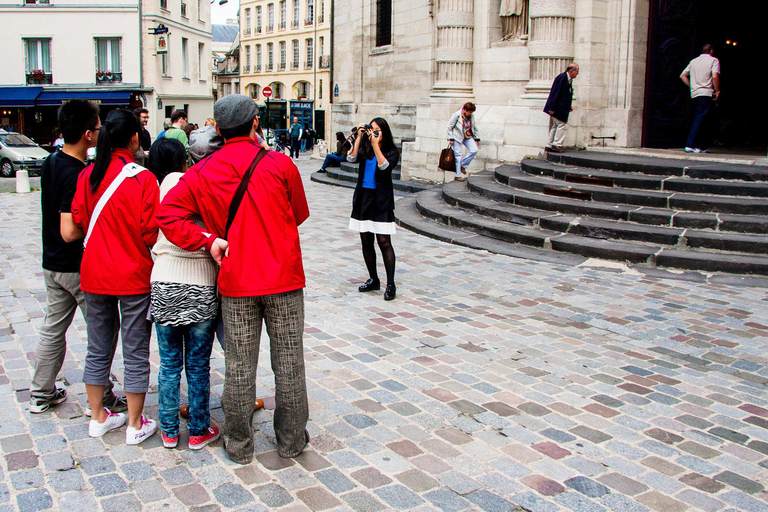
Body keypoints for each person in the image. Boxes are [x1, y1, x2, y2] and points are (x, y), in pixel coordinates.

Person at [157, 94, 310, 465]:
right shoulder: (280, 164)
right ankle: (291, 440)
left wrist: (207, 239)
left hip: (237, 279)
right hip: (283, 277)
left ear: (218, 128)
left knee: (239, 366)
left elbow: (168, 214)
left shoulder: (202, 171)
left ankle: (239, 443)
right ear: (255, 122)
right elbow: (299, 214)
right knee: (289, 362)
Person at [31, 99, 128, 417]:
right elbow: (69, 231)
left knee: (53, 327)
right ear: (88, 134)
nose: (101, 133)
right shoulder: (76, 174)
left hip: (51, 263)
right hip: (76, 266)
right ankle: (102, 398)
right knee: (104, 330)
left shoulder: (51, 161)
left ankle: (41, 392)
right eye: (98, 128)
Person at [71, 109, 160, 445]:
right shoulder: (143, 179)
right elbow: (150, 232)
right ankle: (135, 424)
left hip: (94, 273)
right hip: (132, 275)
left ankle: (98, 416)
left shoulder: (87, 175)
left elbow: (79, 220)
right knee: (135, 349)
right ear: (135, 138)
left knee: (97, 347)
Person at [147, 138, 220, 450]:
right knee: (198, 365)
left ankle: (168, 431)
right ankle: (199, 430)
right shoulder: (204, 186)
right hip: (201, 281)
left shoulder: (158, 189)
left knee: (168, 364)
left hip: (164, 280)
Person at [347, 118, 400, 301]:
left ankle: (391, 284)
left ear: (385, 132)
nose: (374, 133)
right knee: (366, 241)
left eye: (378, 130)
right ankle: (373, 279)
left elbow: (384, 167)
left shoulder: (392, 151)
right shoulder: (365, 148)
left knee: (384, 242)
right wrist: (359, 137)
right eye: (372, 129)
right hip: (364, 198)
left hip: (381, 199)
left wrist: (376, 145)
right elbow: (351, 158)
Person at [680, 44, 720, 154]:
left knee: (699, 118)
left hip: (695, 93)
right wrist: (717, 91)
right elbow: (715, 76)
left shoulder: (693, 61)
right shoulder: (714, 60)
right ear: (711, 51)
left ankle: (701, 146)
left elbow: (683, 75)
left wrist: (691, 86)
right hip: (706, 93)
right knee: (702, 119)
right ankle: (692, 144)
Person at [544, 62, 579, 153]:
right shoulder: (562, 78)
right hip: (558, 107)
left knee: (555, 125)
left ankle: (549, 144)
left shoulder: (567, 79)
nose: (577, 73)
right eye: (577, 71)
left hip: (560, 106)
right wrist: (552, 107)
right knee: (562, 125)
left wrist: (568, 105)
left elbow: (565, 94)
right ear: (572, 71)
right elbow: (556, 93)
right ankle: (557, 144)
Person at [446, 102, 481, 182]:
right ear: (465, 110)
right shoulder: (456, 115)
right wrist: (451, 138)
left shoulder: (471, 116)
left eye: (472, 112)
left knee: (474, 150)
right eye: (470, 112)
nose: (470, 113)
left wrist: (477, 138)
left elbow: (474, 127)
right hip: (457, 137)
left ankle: (462, 165)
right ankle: (457, 175)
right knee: (458, 156)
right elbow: (449, 127)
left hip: (467, 136)